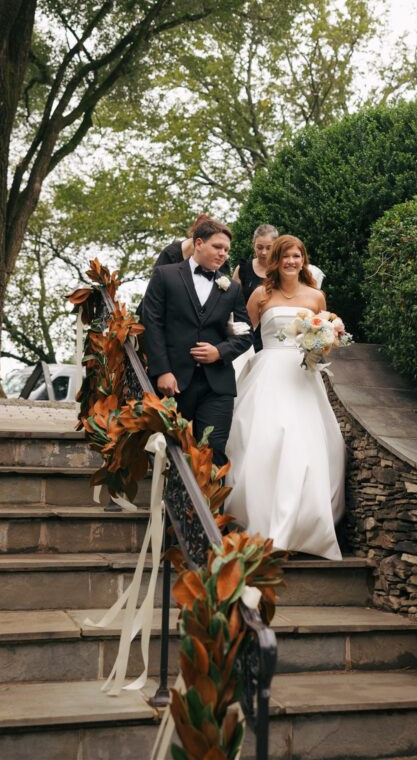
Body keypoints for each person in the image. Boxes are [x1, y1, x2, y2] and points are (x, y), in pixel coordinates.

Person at [225, 235, 345, 559]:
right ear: (275, 260)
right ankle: (262, 525)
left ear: (303, 259)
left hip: (303, 376)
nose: (292, 261)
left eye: (297, 255)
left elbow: (327, 334)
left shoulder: (315, 296)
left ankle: (303, 525)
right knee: (265, 440)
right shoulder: (261, 294)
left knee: (313, 447)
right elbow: (241, 333)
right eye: (286, 256)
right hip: (268, 373)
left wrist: (323, 345)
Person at [142, 218, 252, 467]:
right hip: (175, 382)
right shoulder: (165, 275)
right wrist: (163, 371)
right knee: (168, 450)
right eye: (218, 247)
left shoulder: (231, 289)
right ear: (199, 243)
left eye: (226, 250)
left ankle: (208, 507)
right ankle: (170, 505)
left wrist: (220, 351)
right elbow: (153, 324)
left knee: (213, 452)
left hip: (217, 387)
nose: (223, 254)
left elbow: (245, 334)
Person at [233, 224, 279, 354]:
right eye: (259, 247)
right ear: (253, 245)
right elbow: (231, 300)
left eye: (269, 248)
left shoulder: (282, 270)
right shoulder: (242, 269)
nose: (263, 252)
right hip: (247, 329)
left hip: (273, 332)